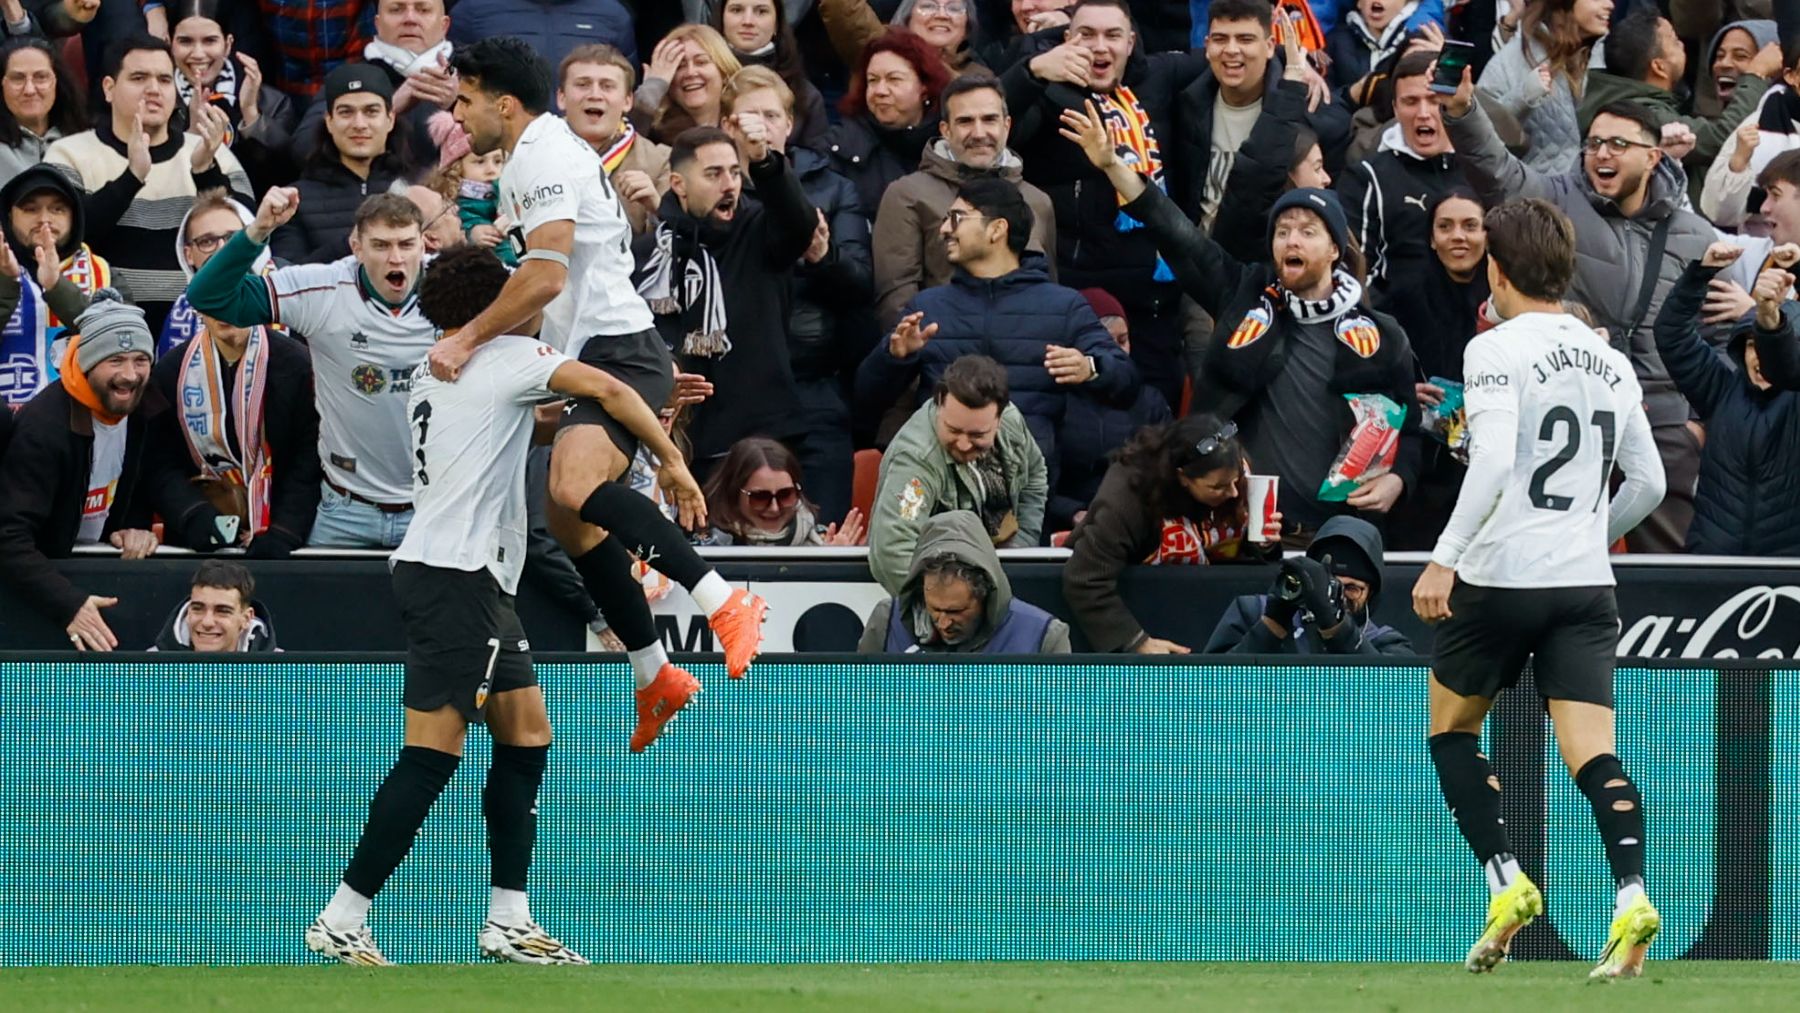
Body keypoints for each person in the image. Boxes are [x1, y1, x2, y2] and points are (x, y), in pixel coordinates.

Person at [303, 245, 709, 967]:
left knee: (527, 737)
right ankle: (342, 917)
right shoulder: (509, 355)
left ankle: (509, 920)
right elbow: (608, 390)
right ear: (505, 306)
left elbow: (533, 423)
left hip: (465, 576)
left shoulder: (442, 366)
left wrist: (634, 410)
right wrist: (670, 458)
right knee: (430, 755)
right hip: (457, 577)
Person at [435, 37, 768, 734]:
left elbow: (546, 276)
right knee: (570, 522)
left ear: (503, 102)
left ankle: (722, 599)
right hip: (602, 350)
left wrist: (468, 340)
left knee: (571, 487)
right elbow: (548, 288)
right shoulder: (532, 157)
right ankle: (655, 675)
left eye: (465, 101)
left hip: (619, 349)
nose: (458, 116)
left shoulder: (545, 156)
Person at [1410, 197, 1665, 979]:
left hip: (1500, 576)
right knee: (1594, 755)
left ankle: (1506, 881)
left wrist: (1445, 557)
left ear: (1496, 269)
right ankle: (1631, 895)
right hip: (1584, 585)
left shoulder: (1494, 348)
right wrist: (1586, 529)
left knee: (1453, 733)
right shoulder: (1609, 358)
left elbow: (1489, 460)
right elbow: (1650, 482)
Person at [1061, 100, 1418, 543]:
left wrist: (1398, 479)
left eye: (1308, 231)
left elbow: (1411, 427)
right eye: (1282, 231)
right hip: (1244, 534)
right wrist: (1113, 166)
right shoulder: (1243, 294)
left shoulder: (1382, 334)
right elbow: (1176, 234)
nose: (1291, 240)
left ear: (1334, 250)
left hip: (1342, 536)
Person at [1443, 69, 1715, 552]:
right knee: (1558, 555)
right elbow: (1497, 171)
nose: (1602, 154)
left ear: (1653, 156)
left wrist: (1697, 424)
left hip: (1666, 424)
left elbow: (1719, 336)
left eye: (1617, 144)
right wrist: (1464, 112)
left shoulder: (1696, 234)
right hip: (1575, 416)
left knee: (1665, 569)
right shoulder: (1556, 199)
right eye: (1593, 143)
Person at [188, 191, 435, 549]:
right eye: (381, 245)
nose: (395, 257)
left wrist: (469, 336)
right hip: (345, 509)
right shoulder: (322, 288)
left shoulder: (455, 282)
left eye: (406, 244)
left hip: (432, 506)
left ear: (423, 245)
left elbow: (522, 292)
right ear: (356, 247)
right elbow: (208, 297)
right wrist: (258, 230)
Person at [1001, 0, 1210, 406]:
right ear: (1067, 40)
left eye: (1113, 35)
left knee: (1155, 415)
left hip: (1154, 297)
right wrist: (1033, 69)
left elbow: (1232, 59)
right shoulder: (1047, 90)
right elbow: (991, 119)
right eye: (1086, 35)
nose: (1100, 46)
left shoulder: (1160, 76)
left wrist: (1294, 69)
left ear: (1131, 42)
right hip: (1082, 296)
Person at [856, 176, 1136, 471]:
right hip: (941, 480)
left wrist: (1090, 368)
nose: (945, 229)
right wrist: (894, 357)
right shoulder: (927, 308)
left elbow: (1127, 382)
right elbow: (866, 400)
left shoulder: (1064, 307)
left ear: (997, 229)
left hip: (1026, 482)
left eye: (957, 218)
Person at [721, 65, 869, 522]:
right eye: (749, 117)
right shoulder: (716, 192)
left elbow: (859, 286)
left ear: (789, 123)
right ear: (727, 126)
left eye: (770, 116)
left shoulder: (834, 187)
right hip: (736, 386)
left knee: (825, 525)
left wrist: (823, 257)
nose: (760, 127)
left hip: (813, 383)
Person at [634, 122, 821, 483]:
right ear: (679, 185)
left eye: (735, 172)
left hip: (764, 438)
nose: (729, 184)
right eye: (713, 174)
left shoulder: (760, 232)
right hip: (682, 440)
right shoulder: (647, 257)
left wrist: (765, 161)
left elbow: (799, 224)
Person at [145, 193, 319, 558]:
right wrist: (195, 515)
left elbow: (308, 460)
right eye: (215, 301)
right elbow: (160, 462)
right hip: (201, 537)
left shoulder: (297, 363)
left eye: (236, 296)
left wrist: (283, 531)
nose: (226, 311)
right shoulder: (171, 369)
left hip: (282, 538)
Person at [43, 33, 251, 335]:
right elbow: (62, 241)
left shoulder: (211, 151)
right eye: (139, 78)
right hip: (103, 329)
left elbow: (250, 241)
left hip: (198, 328)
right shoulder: (68, 153)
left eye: (164, 80)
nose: (154, 89)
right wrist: (132, 178)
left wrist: (206, 171)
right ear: (109, 88)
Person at [0, 291, 164, 652]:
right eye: (115, 360)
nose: (130, 375)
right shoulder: (44, 428)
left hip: (97, 573)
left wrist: (132, 527)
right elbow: (8, 536)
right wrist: (67, 603)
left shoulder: (145, 406)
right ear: (88, 362)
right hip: (37, 593)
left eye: (140, 360)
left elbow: (149, 477)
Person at [1063, 413, 1278, 654]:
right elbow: (1085, 578)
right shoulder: (1129, 496)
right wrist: (1134, 642)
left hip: (1209, 613)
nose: (1232, 493)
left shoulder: (1235, 476)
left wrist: (1264, 544)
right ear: (1183, 477)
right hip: (1143, 611)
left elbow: (1244, 551)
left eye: (1234, 481)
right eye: (1217, 487)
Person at [872, 72, 1056, 330]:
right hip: (943, 348)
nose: (979, 133)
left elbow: (1050, 297)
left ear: (1007, 126)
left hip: (1026, 349)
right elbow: (897, 300)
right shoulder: (907, 195)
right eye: (965, 121)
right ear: (945, 130)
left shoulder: (1038, 201)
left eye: (989, 119)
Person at [1651, 242, 1800, 556]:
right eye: (1751, 345)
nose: (1759, 357)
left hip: (1786, 571)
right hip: (1714, 565)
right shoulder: (1720, 389)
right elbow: (1672, 334)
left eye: (1770, 343)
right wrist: (1700, 274)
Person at [868, 354, 1047, 595]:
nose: (963, 444)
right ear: (939, 403)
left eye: (977, 435)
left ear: (999, 419)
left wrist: (1021, 548)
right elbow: (893, 552)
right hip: (943, 586)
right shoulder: (916, 459)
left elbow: (1035, 476)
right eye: (953, 430)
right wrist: (948, 606)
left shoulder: (1011, 420)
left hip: (1001, 568)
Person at [1378, 186, 1490, 549]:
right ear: (1431, 238)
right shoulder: (1401, 299)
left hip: (1489, 462)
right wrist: (1403, 392)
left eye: (1470, 226)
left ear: (1487, 235)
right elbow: (1373, 376)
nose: (1458, 236)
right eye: (1445, 227)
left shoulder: (1505, 300)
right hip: (1421, 468)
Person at [1578, 4, 1780, 205]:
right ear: (1659, 67)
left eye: (1741, 56)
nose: (1683, 45)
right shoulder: (1639, 113)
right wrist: (1756, 74)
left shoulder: (1635, 99)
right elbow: (1721, 138)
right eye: (1674, 41)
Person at [859, 509, 1069, 653]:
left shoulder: (1044, 637)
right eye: (934, 609)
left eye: (956, 611)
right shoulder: (886, 621)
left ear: (985, 593)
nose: (943, 623)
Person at [1049, 287, 1171, 531]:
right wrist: (1072, 512)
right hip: (1065, 526)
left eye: (1123, 341)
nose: (1117, 352)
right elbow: (1034, 482)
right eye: (1106, 343)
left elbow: (1167, 469)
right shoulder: (1052, 400)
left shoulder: (1150, 401)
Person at [1338, 50, 1459, 291]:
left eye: (1434, 100)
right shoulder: (1366, 178)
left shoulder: (1483, 168)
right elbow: (1353, 276)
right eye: (1410, 102)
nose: (1423, 113)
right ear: (1395, 108)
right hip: (1396, 314)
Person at [1202, 513, 1410, 653]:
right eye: (1329, 584)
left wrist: (1337, 628)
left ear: (1371, 593)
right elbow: (1210, 687)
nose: (1337, 595)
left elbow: (1392, 696)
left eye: (1352, 588)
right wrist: (1271, 625)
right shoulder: (1252, 612)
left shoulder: (1385, 642)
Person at [0, 164, 118, 408]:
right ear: (9, 216)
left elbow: (121, 344)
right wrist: (6, 283)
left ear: (74, 217)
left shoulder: (104, 273)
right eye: (30, 209)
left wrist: (56, 286)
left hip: (79, 419)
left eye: (57, 209)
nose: (44, 219)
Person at [290, 0, 456, 167]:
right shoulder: (349, 77)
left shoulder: (467, 71)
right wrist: (384, 110)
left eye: (423, 10)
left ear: (444, 25)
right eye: (396, 10)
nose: (410, 19)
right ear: (377, 24)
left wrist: (459, 106)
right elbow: (302, 150)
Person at [273, 65, 411, 265]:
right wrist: (353, 242)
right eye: (346, 112)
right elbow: (286, 276)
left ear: (390, 119)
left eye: (371, 112)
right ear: (329, 121)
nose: (359, 124)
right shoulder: (295, 201)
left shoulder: (417, 186)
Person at [817, 28, 951, 227]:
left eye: (894, 79)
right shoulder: (839, 146)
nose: (880, 91)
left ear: (924, 87)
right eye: (872, 80)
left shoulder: (949, 143)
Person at [167, 0, 298, 192]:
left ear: (228, 44)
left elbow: (286, 175)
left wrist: (251, 116)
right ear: (170, 43)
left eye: (210, 40)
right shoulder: (156, 102)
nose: (198, 54)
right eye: (185, 41)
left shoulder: (272, 102)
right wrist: (191, 136)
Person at [1476, 0, 1610, 175]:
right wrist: (1524, 97)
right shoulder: (1509, 62)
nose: (1610, 4)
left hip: (1596, 187)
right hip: (1532, 187)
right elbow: (1477, 134)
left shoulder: (1610, 57)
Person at [558, 43, 671, 236]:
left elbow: (677, 240)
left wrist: (655, 208)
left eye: (607, 86)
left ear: (628, 101)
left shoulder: (660, 161)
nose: (595, 95)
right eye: (583, 85)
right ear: (561, 97)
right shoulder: (531, 152)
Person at [700, 435, 866, 545]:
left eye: (785, 495)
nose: (774, 508)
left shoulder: (822, 542)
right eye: (760, 497)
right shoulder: (709, 548)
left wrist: (831, 564)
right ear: (734, 495)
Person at [707, 0, 828, 150]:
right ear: (721, 18)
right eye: (737, 10)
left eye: (761, 11)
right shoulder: (700, 82)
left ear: (776, 23)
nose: (748, 21)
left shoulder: (805, 96)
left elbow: (816, 159)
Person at [448, 0, 638, 74]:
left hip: (590, 145)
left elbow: (627, 88)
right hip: (498, 145)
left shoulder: (613, 15)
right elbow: (452, 88)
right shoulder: (472, 11)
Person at [0, 37, 87, 190]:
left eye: (40, 77)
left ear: (57, 82)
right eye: (17, 79)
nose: (29, 90)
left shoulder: (85, 144)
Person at [426, 115, 515, 265]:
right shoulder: (447, 206)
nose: (491, 169)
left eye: (497, 161)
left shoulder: (511, 194)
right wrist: (469, 235)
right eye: (480, 162)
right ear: (456, 167)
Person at [636, 23, 741, 145]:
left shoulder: (743, 126)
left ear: (723, 71)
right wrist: (650, 93)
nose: (690, 73)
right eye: (680, 66)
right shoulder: (652, 137)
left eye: (701, 62)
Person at [820, 0, 983, 75]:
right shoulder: (882, 51)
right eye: (928, 6)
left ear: (967, 26)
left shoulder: (980, 76)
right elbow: (840, 7)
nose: (942, 15)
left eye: (954, 8)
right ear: (907, 18)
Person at [152, 559, 277, 652]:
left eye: (222, 611)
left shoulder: (281, 670)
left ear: (246, 619)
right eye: (198, 609)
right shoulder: (149, 667)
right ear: (188, 612)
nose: (207, 622)